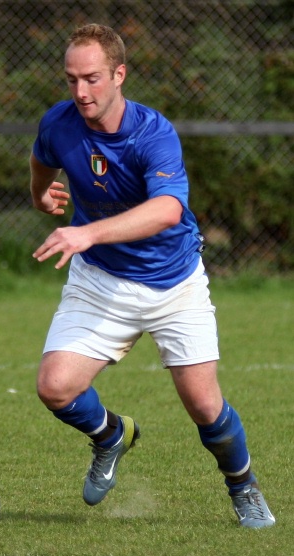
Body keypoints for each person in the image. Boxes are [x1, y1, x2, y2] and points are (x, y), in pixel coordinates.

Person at [30, 23, 275, 529]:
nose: (80, 91)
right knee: (55, 387)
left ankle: (244, 487)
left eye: (93, 78)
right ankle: (111, 436)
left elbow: (166, 209)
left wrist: (87, 233)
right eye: (72, 79)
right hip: (99, 282)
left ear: (119, 74)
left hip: (173, 283)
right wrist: (40, 194)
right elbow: (41, 157)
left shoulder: (151, 132)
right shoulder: (60, 122)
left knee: (206, 407)